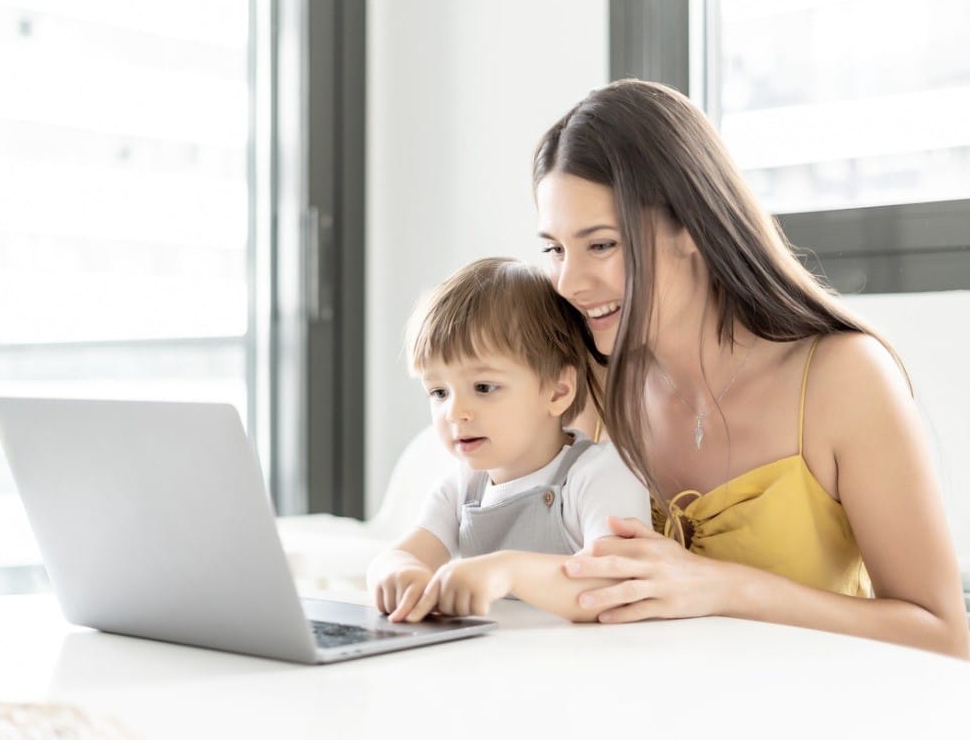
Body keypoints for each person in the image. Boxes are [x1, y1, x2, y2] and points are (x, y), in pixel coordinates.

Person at [522, 77, 968, 657]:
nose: (571, 283)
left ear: (689, 226)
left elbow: (946, 636)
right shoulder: (593, 381)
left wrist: (725, 587)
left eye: (602, 245)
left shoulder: (844, 379)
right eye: (555, 250)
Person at [367, 257, 651, 623]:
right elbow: (395, 556)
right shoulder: (462, 488)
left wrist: (507, 572)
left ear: (557, 391)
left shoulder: (600, 472)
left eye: (483, 387)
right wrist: (399, 574)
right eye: (438, 392)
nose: (455, 413)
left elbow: (615, 583)